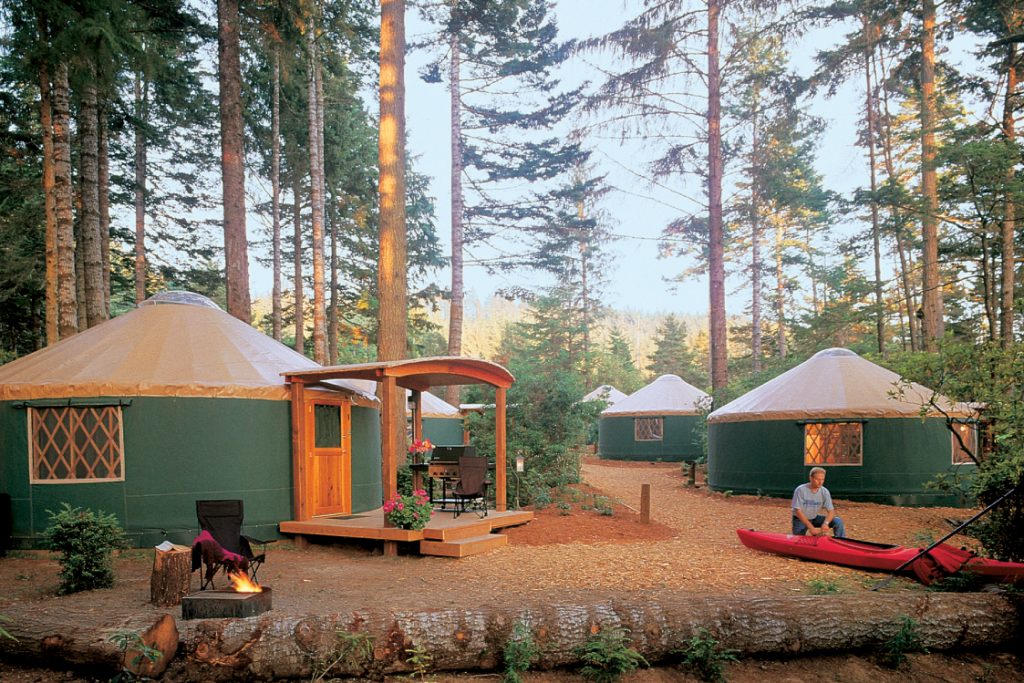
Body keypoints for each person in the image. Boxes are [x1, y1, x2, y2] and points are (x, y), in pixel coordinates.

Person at [791, 467, 846, 538]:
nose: (820, 482)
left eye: (822, 479)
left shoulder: (824, 492)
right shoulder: (800, 490)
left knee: (838, 521)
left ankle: (840, 542)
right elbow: (798, 511)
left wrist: (826, 523)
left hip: (814, 517)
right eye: (818, 479)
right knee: (798, 540)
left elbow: (831, 511)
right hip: (800, 519)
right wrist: (811, 528)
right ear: (810, 478)